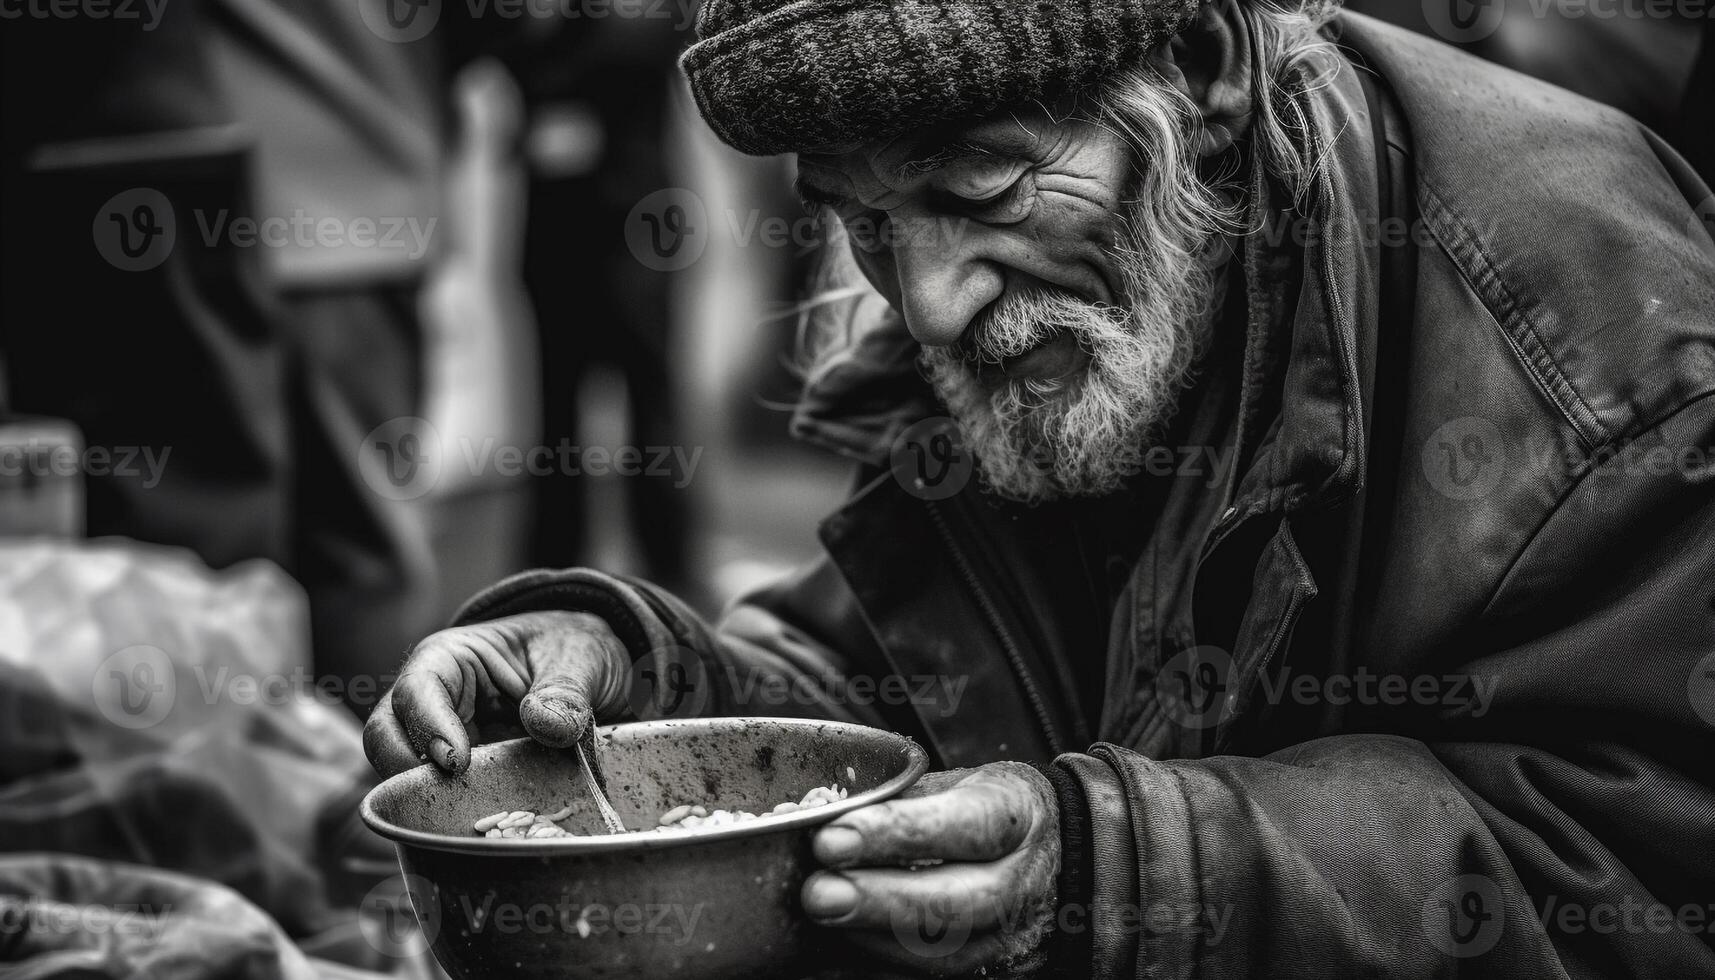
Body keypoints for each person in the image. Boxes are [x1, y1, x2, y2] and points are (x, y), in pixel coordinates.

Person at [365, 0, 1715, 976]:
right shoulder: (1065, 307)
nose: (934, 302)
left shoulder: (1592, 340)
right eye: (867, 221)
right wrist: (649, 691)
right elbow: (916, 681)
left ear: (1201, 67)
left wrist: (1132, 878)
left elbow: (1653, 875)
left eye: (987, 188)